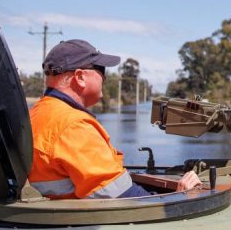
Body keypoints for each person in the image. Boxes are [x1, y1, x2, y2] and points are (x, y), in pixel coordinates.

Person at [28, 39, 201, 199]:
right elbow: (123, 199)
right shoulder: (72, 125)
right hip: (80, 228)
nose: (105, 77)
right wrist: (179, 195)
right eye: (101, 70)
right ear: (80, 77)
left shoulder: (37, 113)